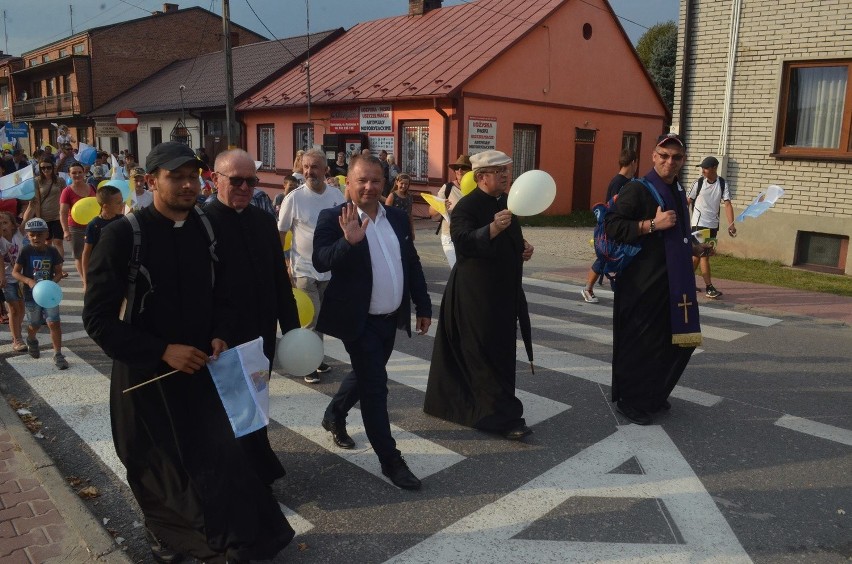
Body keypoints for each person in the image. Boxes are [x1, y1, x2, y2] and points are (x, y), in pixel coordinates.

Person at [82, 142, 294, 563]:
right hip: (147, 378)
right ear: (150, 182)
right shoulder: (123, 236)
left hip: (201, 370)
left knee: (219, 463)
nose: (186, 185)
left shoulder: (205, 228)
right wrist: (163, 350)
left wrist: (219, 333)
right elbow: (99, 321)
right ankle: (170, 537)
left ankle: (233, 539)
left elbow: (223, 296)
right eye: (175, 177)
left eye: (192, 177)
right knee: (162, 470)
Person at [315, 154, 431, 490]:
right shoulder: (333, 217)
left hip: (389, 319)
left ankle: (334, 414)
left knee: (367, 375)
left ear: (385, 183)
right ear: (347, 183)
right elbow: (320, 260)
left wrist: (422, 304)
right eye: (361, 180)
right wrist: (346, 242)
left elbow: (411, 261)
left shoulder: (395, 216)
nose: (368, 186)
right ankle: (391, 461)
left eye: (375, 180)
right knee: (376, 389)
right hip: (358, 322)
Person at [204, 148, 301, 486]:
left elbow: (278, 277)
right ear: (216, 179)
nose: (245, 187)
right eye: (236, 180)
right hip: (223, 336)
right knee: (231, 406)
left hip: (262, 334)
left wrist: (292, 330)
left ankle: (254, 466)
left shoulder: (262, 220)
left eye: (251, 180)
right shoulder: (203, 223)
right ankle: (247, 473)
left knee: (256, 398)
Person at [423, 150, 535, 441]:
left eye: (506, 172)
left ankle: (497, 409)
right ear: (482, 177)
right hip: (477, 295)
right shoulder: (466, 207)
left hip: (503, 293)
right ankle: (500, 417)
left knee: (500, 352)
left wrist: (522, 247)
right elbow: (464, 243)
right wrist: (492, 229)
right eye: (499, 173)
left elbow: (511, 238)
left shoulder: (504, 202)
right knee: (484, 353)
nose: (505, 177)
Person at [604, 133, 709, 426]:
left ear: (683, 161)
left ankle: (651, 394)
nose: (669, 162)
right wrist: (652, 224)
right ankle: (631, 401)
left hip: (671, 284)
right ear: (653, 157)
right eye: (664, 156)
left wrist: (695, 246)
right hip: (640, 283)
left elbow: (675, 235)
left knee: (671, 343)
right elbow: (611, 225)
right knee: (641, 344)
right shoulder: (638, 189)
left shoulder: (675, 190)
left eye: (676, 157)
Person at [277, 148, 345, 383]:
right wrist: (283, 263)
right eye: (306, 167)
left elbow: (345, 227)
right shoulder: (294, 198)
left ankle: (317, 357)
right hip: (303, 268)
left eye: (314, 167)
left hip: (330, 269)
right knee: (310, 318)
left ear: (325, 169)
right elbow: (281, 233)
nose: (309, 171)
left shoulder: (337, 195)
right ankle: (307, 364)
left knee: (322, 318)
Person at [581, 148, 638, 303]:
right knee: (606, 257)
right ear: (633, 162)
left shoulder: (627, 182)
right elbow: (613, 205)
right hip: (613, 226)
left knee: (616, 257)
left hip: (622, 225)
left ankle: (623, 291)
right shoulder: (619, 182)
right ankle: (588, 288)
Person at [13, 218, 67, 369]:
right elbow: (15, 272)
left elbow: (58, 272)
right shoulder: (26, 251)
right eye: (32, 235)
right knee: (35, 323)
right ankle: (31, 338)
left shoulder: (52, 251)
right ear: (28, 236)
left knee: (53, 322)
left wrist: (52, 282)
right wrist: (29, 281)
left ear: (47, 234)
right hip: (31, 295)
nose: (36, 238)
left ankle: (58, 354)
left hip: (49, 294)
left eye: (40, 234)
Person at [688, 156, 736, 299]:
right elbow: (687, 201)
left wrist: (731, 224)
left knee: (697, 257)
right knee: (704, 257)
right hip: (698, 223)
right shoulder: (698, 183)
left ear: (714, 168)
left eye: (706, 168)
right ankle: (709, 287)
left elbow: (727, 204)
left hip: (713, 225)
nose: (703, 171)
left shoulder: (722, 183)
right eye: (702, 168)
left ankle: (686, 282)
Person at [81, 184, 124, 291]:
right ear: (105, 206)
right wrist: (85, 281)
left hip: (119, 272)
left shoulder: (123, 221)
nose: (122, 205)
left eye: (122, 201)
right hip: (100, 272)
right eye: (118, 203)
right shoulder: (94, 225)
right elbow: (86, 254)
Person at [59, 163, 96, 279]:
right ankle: (85, 280)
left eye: (80, 172)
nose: (77, 175)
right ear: (69, 175)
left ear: (84, 173)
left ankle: (94, 277)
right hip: (76, 228)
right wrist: (65, 230)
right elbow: (63, 212)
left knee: (94, 254)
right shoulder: (67, 191)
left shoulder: (92, 187)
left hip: (94, 226)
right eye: (74, 173)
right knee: (79, 256)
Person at [434, 155, 471, 268]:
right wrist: (441, 206)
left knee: (468, 269)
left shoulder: (476, 189)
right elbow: (432, 212)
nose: (460, 170)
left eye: (463, 168)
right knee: (457, 268)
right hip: (449, 235)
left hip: (470, 235)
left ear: (470, 171)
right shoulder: (448, 187)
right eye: (457, 168)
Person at [24, 158, 66, 259]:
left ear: (53, 168)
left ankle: (59, 266)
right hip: (44, 216)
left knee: (58, 241)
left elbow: (64, 198)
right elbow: (37, 201)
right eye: (43, 168)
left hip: (57, 215)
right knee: (47, 242)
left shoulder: (60, 180)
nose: (46, 170)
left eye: (48, 167)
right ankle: (49, 265)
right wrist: (39, 218)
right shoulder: (37, 181)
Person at [0, 211, 27, 352]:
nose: (2, 226)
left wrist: (32, 204)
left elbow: (27, 216)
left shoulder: (18, 235)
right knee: (14, 309)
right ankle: (17, 339)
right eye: (0, 223)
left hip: (21, 278)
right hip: (8, 280)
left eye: (5, 222)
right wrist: (2, 277)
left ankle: (16, 330)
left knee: (21, 308)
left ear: (12, 225)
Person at [385, 173, 414, 239]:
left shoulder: (409, 197)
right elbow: (386, 214)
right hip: (394, 227)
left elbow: (410, 214)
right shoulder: (392, 196)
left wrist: (412, 230)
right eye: (402, 183)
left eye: (406, 184)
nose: (404, 186)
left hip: (405, 227)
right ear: (397, 182)